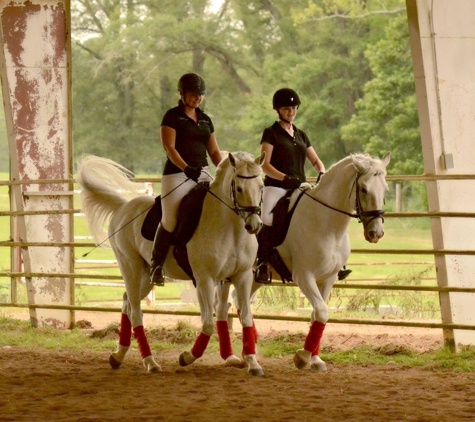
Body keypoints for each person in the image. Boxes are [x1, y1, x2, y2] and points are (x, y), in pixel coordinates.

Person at [254, 88, 352, 283]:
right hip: (276, 186)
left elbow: (315, 161)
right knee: (266, 217)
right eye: (286, 108)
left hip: (299, 186)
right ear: (278, 110)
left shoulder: (301, 135)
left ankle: (335, 262)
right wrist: (283, 178)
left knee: (322, 213)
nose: (291, 111)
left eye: (293, 107)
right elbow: (265, 164)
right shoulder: (271, 133)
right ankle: (263, 262)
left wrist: (322, 172)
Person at [150, 73, 223, 286]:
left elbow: (215, 151)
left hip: (203, 172)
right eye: (193, 94)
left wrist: (225, 171)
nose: (197, 98)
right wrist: (185, 168)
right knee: (170, 218)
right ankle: (156, 265)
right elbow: (169, 148)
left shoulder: (206, 119)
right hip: (176, 174)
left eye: (200, 95)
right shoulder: (172, 117)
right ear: (182, 94)